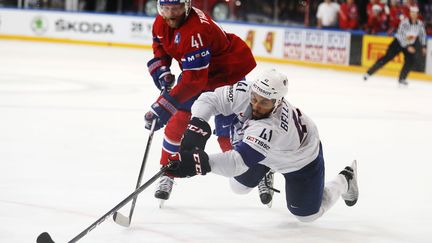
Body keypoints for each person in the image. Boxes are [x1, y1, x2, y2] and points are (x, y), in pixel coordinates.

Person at [165, 69, 359, 222]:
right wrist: (198, 125)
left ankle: (345, 180)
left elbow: (237, 162)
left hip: (299, 160)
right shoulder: (247, 91)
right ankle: (265, 169)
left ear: (277, 103)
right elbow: (209, 99)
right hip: (261, 150)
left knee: (307, 216)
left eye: (264, 102)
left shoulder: (272, 127)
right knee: (238, 187)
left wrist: (200, 163)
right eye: (255, 98)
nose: (256, 105)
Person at [144, 0, 256, 203]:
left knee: (227, 139)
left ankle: (260, 170)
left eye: (175, 8)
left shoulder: (196, 30)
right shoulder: (161, 21)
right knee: (176, 125)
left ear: (186, 6)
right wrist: (162, 70)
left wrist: (165, 105)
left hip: (225, 77)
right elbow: (159, 44)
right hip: (197, 75)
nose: (170, 14)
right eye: (165, 8)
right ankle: (167, 173)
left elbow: (194, 82)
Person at [363, 6, 427, 86]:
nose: (413, 14)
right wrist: (407, 46)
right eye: (412, 12)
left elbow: (422, 35)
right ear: (410, 13)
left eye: (415, 13)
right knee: (386, 58)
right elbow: (401, 35)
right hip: (398, 43)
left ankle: (402, 78)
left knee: (410, 60)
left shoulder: (420, 24)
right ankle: (369, 73)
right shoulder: (405, 22)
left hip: (409, 44)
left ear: (417, 14)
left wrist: (424, 46)